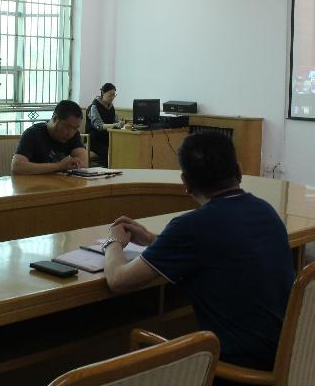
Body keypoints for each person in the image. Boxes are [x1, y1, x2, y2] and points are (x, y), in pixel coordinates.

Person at [103, 131, 294, 380]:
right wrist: (152, 239)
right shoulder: (265, 211)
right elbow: (213, 248)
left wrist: (113, 242)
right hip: (285, 358)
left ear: (185, 182)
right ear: (238, 170)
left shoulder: (192, 226)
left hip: (237, 372)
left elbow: (118, 280)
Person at [11, 100, 88, 175]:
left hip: (61, 182)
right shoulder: (33, 133)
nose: (71, 133)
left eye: (76, 128)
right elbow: (17, 166)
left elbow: (83, 162)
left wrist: (77, 163)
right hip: (34, 182)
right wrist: (59, 166)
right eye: (68, 127)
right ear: (55, 119)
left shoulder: (74, 134)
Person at [86, 82, 120, 162]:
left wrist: (121, 123)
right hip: (94, 140)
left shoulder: (111, 107)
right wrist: (115, 125)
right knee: (110, 153)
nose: (112, 97)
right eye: (110, 95)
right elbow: (99, 126)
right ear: (103, 93)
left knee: (120, 148)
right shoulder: (94, 107)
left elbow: (116, 121)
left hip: (107, 139)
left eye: (114, 95)